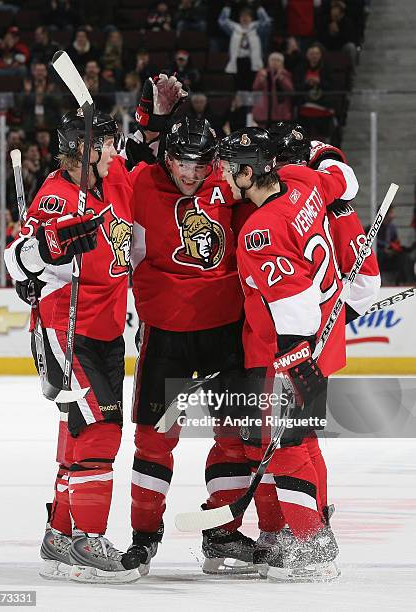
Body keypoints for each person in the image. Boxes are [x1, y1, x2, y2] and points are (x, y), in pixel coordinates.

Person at [4, 75, 187, 584]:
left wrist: (157, 115)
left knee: (77, 429)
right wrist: (50, 250)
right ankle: (89, 538)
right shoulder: (58, 197)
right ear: (83, 149)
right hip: (68, 334)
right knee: (101, 429)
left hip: (106, 334)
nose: (115, 150)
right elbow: (17, 259)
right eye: (107, 143)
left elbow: (142, 151)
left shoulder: (115, 181)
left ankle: (61, 535)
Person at [216, 126, 360, 581]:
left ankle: (309, 545)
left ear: (248, 172)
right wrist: (325, 151)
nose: (221, 174)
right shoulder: (304, 180)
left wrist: (294, 364)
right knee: (307, 440)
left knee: (286, 448)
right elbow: (345, 177)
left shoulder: (260, 231)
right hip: (322, 339)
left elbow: (291, 303)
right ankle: (316, 531)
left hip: (287, 350)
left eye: (228, 168)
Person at [125, 116, 260, 576]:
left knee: (235, 437)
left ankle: (222, 532)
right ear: (166, 158)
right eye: (182, 162)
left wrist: (331, 166)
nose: (190, 173)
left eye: (200, 164)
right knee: (154, 440)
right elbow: (97, 171)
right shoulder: (141, 180)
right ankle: (143, 536)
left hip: (225, 331)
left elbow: (287, 175)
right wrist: (148, 121)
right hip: (167, 333)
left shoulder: (228, 180)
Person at [218, 4, 271, 91]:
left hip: (252, 61)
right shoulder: (234, 28)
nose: (245, 18)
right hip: (238, 61)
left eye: (247, 16)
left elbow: (266, 21)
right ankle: (241, 103)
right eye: (242, 16)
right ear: (239, 18)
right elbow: (222, 21)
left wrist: (259, 8)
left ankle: (251, 104)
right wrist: (227, 7)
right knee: (239, 86)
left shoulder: (257, 28)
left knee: (251, 86)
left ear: (251, 18)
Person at [252, 52, 294, 127]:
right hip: (263, 109)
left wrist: (281, 78)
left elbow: (290, 90)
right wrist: (261, 80)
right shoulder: (262, 73)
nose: (275, 62)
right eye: (273, 60)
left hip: (280, 110)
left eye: (278, 60)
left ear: (282, 63)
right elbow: (255, 88)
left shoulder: (285, 74)